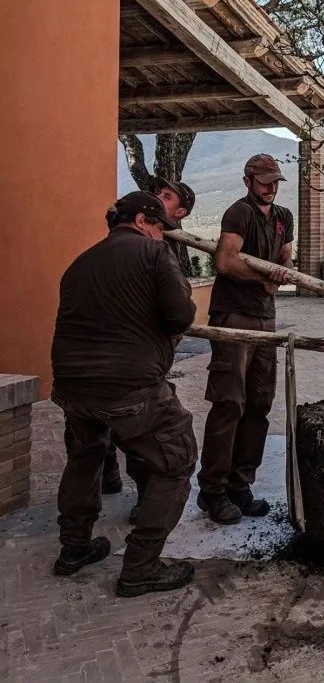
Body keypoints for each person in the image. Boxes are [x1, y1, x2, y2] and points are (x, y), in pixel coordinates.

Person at [51, 191, 197, 597]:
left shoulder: (79, 263)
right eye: (159, 228)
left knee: (84, 458)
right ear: (142, 221)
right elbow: (180, 315)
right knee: (176, 460)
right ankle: (141, 567)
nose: (161, 236)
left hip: (73, 387)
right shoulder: (153, 256)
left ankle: (74, 548)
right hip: (128, 386)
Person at [196, 154, 292, 524]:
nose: (271, 187)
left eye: (275, 181)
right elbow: (225, 261)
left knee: (259, 402)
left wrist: (283, 268)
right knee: (229, 402)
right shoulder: (238, 213)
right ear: (247, 180)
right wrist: (264, 278)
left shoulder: (283, 217)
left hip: (265, 318)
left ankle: (241, 484)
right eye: (264, 181)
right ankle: (213, 490)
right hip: (234, 315)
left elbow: (285, 256)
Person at [102, 176, 197, 515]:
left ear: (180, 211)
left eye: (167, 197)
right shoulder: (149, 249)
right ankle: (125, 489)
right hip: (126, 359)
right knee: (144, 429)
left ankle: (133, 492)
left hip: (130, 357)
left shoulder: (159, 250)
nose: (158, 197)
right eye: (158, 194)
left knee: (125, 423)